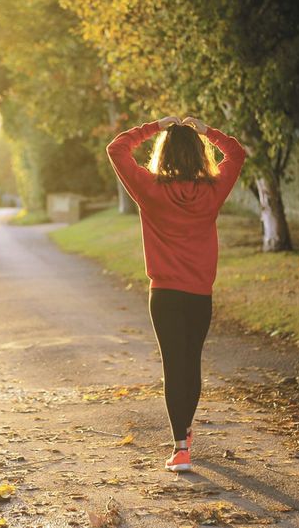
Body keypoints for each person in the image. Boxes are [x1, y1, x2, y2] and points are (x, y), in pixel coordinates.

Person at [105, 115, 247, 473]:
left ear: (163, 154)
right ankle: (184, 431)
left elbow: (117, 148)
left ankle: (180, 447)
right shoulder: (213, 190)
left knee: (173, 365)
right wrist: (207, 131)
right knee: (191, 362)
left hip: (164, 294)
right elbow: (237, 153)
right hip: (199, 294)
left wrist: (155, 126)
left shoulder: (150, 189)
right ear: (200, 155)